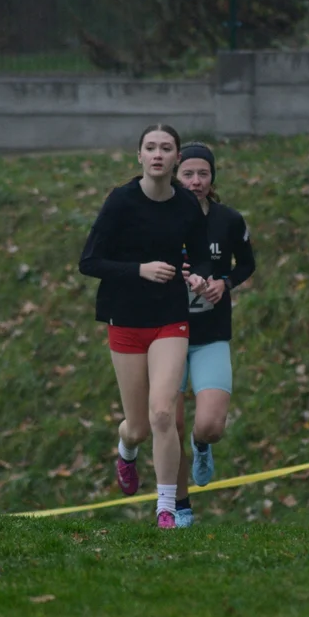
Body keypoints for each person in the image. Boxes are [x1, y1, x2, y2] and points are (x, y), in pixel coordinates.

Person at [78, 124, 212, 529]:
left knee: (162, 415)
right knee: (137, 427)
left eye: (165, 148)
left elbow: (204, 257)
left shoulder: (187, 205)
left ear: (175, 160)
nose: (157, 154)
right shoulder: (121, 201)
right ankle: (126, 449)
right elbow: (89, 262)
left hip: (170, 318)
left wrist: (200, 277)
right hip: (125, 319)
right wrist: (140, 269)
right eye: (150, 147)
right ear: (139, 156)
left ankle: (166, 507)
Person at [172, 141, 257, 528]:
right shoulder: (158, 219)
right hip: (165, 335)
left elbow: (247, 264)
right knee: (166, 425)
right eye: (187, 173)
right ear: (175, 175)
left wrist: (225, 281)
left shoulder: (229, 219)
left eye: (202, 174)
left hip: (211, 334)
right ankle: (180, 507)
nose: (194, 181)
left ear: (212, 177)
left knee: (209, 425)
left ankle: (201, 446)